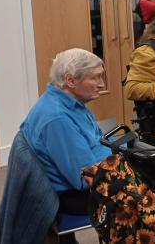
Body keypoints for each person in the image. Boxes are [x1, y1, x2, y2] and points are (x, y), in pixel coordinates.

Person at [20, 48, 112, 215]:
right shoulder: (58, 118)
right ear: (70, 80)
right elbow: (86, 178)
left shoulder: (69, 103)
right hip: (77, 196)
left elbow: (97, 141)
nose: (102, 84)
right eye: (95, 77)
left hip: (94, 175)